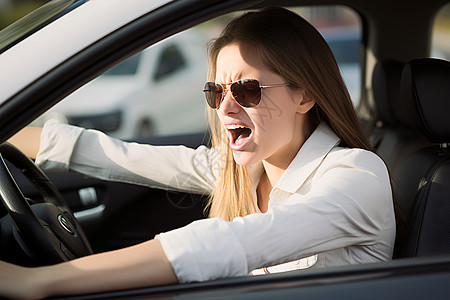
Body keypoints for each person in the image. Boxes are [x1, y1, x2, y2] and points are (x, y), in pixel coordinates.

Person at [0, 7, 395, 299]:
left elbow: (227, 243)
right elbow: (117, 154)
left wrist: (39, 282)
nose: (224, 108)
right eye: (216, 92)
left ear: (305, 95)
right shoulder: (243, 171)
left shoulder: (357, 176)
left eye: (246, 90)